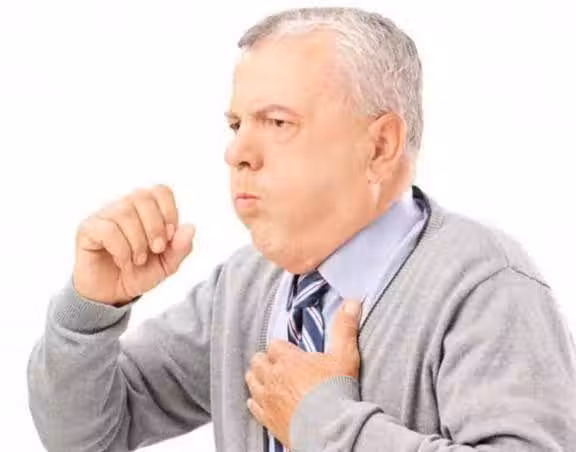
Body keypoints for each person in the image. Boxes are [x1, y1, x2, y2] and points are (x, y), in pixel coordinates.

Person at [27, 7, 576, 452]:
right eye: (237, 124)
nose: (237, 152)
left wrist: (322, 423)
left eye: (277, 122)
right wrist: (90, 309)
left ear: (379, 147)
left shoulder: (486, 288)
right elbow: (83, 436)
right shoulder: (246, 283)